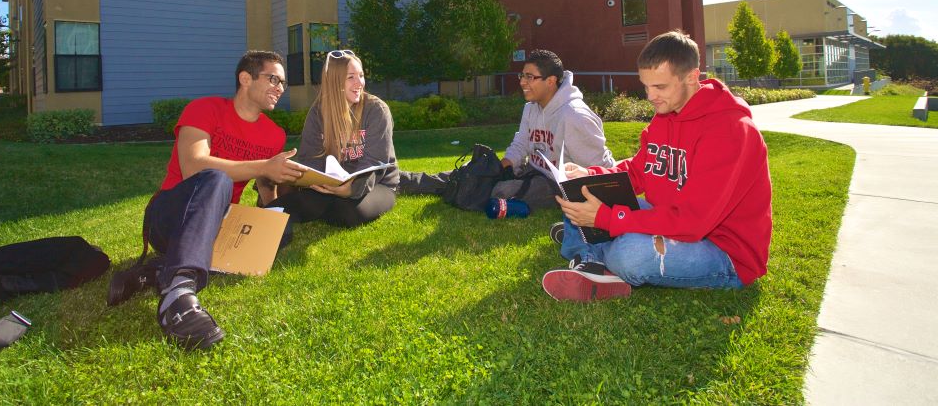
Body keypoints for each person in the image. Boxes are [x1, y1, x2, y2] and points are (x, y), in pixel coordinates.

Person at [541, 30, 772, 302]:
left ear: (692, 77)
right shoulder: (667, 114)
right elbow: (639, 172)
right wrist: (589, 175)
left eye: (660, 87)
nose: (650, 96)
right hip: (670, 221)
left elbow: (693, 222)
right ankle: (590, 259)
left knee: (630, 253)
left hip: (723, 251)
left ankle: (588, 244)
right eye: (645, 86)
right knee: (586, 192)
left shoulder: (731, 130)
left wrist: (605, 219)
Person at [107, 51, 307, 350]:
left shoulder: (273, 134)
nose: (280, 88)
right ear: (245, 78)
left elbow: (264, 184)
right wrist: (264, 165)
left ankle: (156, 272)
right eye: (273, 79)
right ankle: (178, 296)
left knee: (280, 232)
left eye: (283, 83)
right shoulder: (205, 109)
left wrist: (272, 206)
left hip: (222, 221)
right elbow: (194, 166)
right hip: (173, 216)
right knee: (216, 178)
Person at [401, 49, 614, 210]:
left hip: (557, 185)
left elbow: (598, 168)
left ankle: (470, 188)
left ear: (551, 81)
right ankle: (402, 180)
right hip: (533, 170)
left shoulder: (574, 115)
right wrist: (500, 167)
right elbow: (521, 145)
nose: (522, 82)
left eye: (530, 77)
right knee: (471, 174)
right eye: (522, 76)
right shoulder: (531, 108)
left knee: (498, 191)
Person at [261, 50, 398, 227]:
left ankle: (329, 204)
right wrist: (320, 182)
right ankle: (262, 219)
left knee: (348, 212)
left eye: (361, 75)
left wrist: (352, 188)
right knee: (305, 203)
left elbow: (375, 161)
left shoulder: (376, 110)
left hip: (376, 185)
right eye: (351, 77)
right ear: (334, 81)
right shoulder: (318, 112)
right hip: (330, 185)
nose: (359, 83)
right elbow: (309, 157)